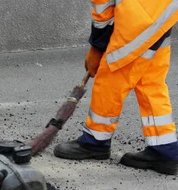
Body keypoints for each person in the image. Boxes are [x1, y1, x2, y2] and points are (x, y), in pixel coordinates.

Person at [54, 0, 178, 176]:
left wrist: (96, 49)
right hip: (162, 9)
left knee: (112, 74)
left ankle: (95, 141)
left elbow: (102, 7)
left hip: (142, 15)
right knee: (150, 81)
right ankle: (164, 148)